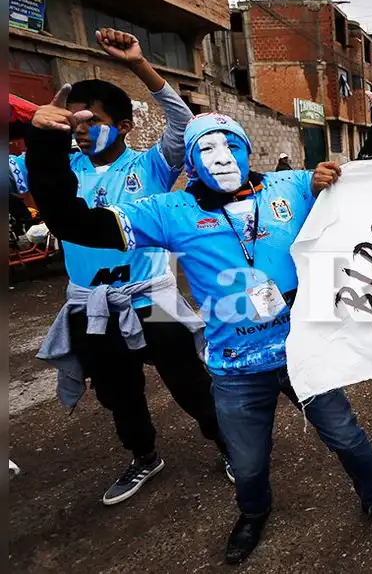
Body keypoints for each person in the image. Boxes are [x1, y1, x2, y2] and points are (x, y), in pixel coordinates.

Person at [26, 93, 372, 564]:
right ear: (189, 162)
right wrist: (46, 146)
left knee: (349, 438)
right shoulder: (168, 211)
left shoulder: (291, 186)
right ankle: (253, 513)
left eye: (231, 145)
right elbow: (74, 223)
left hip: (305, 355)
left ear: (249, 149)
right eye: (206, 150)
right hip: (235, 370)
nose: (222, 157)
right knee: (247, 464)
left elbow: (363, 191)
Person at [8, 28, 230, 506]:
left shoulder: (152, 165)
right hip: (91, 305)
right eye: (75, 121)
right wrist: (30, 122)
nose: (81, 129)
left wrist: (138, 65)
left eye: (92, 120)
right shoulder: (60, 169)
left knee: (190, 382)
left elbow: (181, 124)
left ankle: (230, 446)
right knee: (116, 392)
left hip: (153, 299)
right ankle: (144, 455)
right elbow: (10, 174)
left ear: (125, 126)